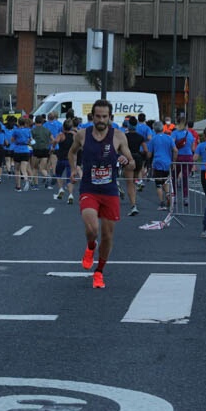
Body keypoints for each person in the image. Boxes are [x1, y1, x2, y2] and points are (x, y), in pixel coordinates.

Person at [67, 99, 134, 289]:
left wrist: (125, 160)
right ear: (92, 117)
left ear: (110, 117)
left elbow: (132, 162)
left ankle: (99, 272)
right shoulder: (82, 135)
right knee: (92, 229)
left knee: (107, 235)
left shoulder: (119, 136)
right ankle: (90, 247)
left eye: (105, 116)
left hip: (110, 191)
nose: (101, 120)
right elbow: (71, 153)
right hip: (89, 189)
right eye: (98, 116)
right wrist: (73, 169)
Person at [146, 121, 177, 210]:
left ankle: (162, 203)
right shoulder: (169, 138)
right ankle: (168, 195)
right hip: (167, 163)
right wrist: (174, 161)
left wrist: (147, 157)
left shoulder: (153, 139)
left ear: (154, 129)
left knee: (158, 184)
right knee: (166, 181)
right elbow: (175, 150)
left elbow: (149, 154)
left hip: (158, 163)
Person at [122, 117, 147, 216]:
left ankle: (133, 205)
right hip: (138, 158)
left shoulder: (125, 136)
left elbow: (121, 148)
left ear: (128, 125)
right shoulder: (140, 137)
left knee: (129, 183)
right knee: (134, 181)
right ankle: (138, 184)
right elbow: (145, 150)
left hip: (129, 158)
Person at [171, 118, 195, 207]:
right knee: (185, 178)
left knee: (174, 176)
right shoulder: (190, 134)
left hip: (178, 157)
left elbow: (172, 145)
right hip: (188, 157)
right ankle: (186, 198)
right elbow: (193, 148)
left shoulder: (175, 133)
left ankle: (175, 196)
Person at [52, 118, 76, 204]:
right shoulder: (74, 135)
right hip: (70, 159)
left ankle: (61, 189)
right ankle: (70, 195)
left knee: (58, 174)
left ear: (63, 127)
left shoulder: (61, 135)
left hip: (61, 157)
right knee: (69, 178)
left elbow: (55, 141)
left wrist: (53, 147)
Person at [9, 116, 33, 192]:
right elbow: (30, 140)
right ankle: (26, 179)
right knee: (24, 168)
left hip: (17, 150)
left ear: (18, 123)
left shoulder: (16, 131)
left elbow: (12, 140)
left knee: (17, 169)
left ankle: (18, 186)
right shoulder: (28, 130)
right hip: (25, 150)